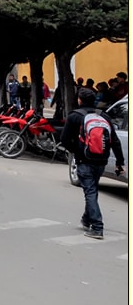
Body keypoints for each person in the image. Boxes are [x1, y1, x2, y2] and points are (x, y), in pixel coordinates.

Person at [62, 88, 124, 240]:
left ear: (80, 100)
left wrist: (76, 150)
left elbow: (64, 139)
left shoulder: (75, 116)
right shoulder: (104, 116)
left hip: (84, 160)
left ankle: (97, 227)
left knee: (90, 192)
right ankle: (86, 219)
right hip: (101, 160)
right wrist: (119, 162)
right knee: (92, 190)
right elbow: (114, 141)